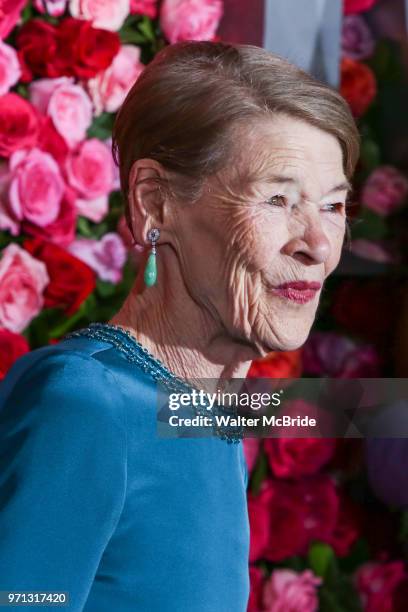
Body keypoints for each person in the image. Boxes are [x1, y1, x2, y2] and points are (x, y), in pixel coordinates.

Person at [0, 41, 359, 611]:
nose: (318, 244)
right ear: (156, 202)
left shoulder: (200, 410)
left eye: (334, 207)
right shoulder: (87, 405)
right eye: (277, 199)